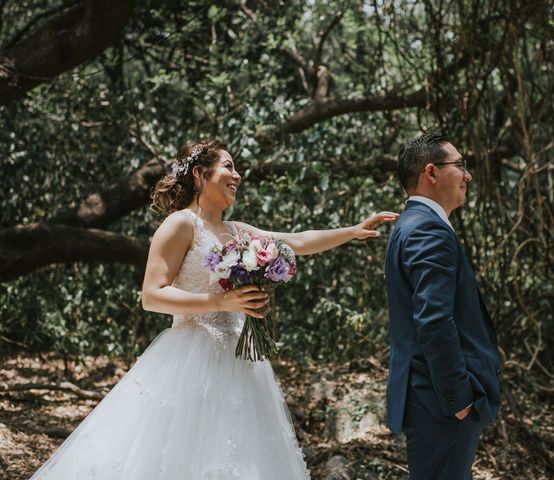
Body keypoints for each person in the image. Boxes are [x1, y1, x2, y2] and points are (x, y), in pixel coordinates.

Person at [30, 139, 398, 479]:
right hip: (191, 358)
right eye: (228, 166)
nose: (237, 175)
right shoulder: (180, 225)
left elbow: (296, 241)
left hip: (241, 362)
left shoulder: (237, 231)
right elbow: (151, 295)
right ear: (199, 174)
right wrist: (220, 302)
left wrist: (352, 230)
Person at [384, 134, 501, 479]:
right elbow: (433, 320)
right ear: (431, 173)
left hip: (429, 400)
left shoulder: (411, 225)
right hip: (440, 403)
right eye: (460, 165)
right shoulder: (427, 231)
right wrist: (460, 401)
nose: (468, 175)